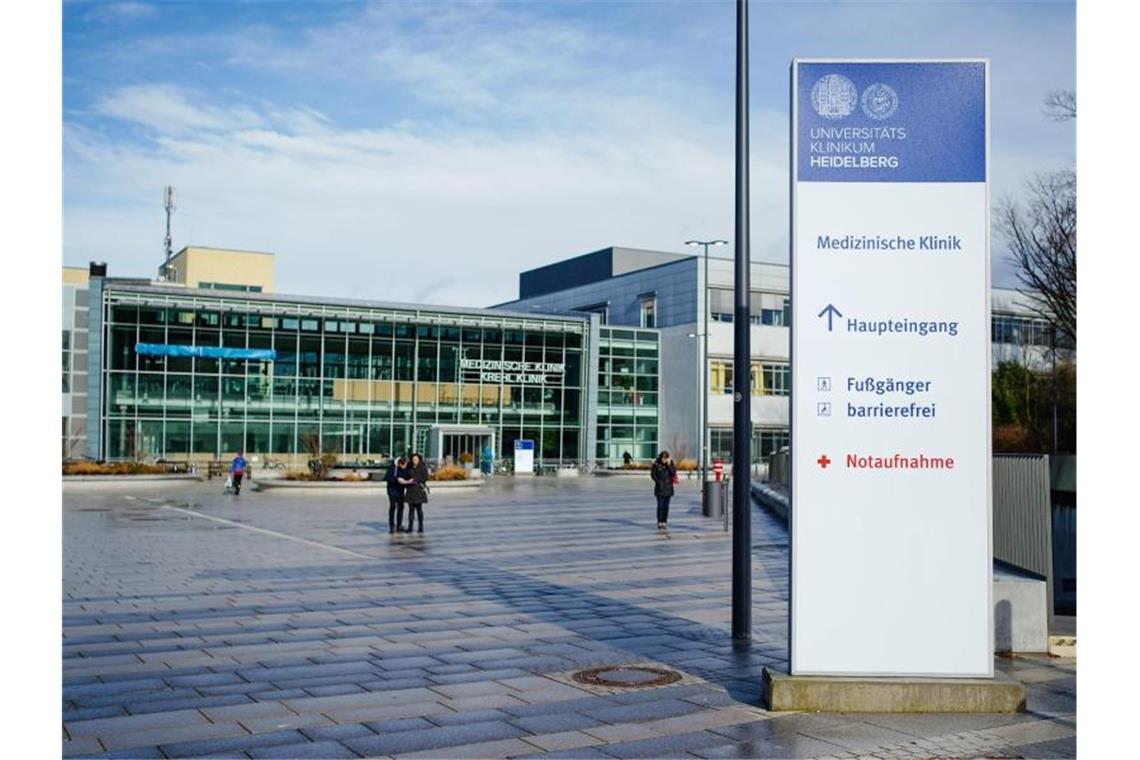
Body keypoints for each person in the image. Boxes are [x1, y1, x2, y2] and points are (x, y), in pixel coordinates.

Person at [401, 453, 430, 533]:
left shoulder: (422, 466)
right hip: (410, 490)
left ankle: (420, 527)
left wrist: (415, 479)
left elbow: (425, 477)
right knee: (411, 510)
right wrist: (405, 480)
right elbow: (406, 475)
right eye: (413, 459)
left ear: (419, 459)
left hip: (418, 490)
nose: (415, 461)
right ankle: (410, 527)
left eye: (416, 459)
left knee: (419, 509)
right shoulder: (409, 466)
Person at [650, 450, 677, 529]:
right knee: (660, 506)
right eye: (663, 458)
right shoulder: (656, 464)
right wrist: (659, 482)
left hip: (668, 488)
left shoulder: (670, 464)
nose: (664, 460)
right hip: (660, 489)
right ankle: (659, 522)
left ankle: (664, 521)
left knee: (666, 506)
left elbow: (673, 473)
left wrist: (669, 465)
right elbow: (653, 474)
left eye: (666, 458)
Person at [384, 457, 408, 533]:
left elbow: (407, 476)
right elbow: (387, 478)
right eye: (403, 466)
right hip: (392, 490)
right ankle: (392, 525)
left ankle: (399, 525)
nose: (404, 467)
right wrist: (397, 479)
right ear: (399, 464)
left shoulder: (405, 468)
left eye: (405, 466)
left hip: (401, 490)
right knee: (393, 506)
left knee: (401, 507)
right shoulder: (392, 467)